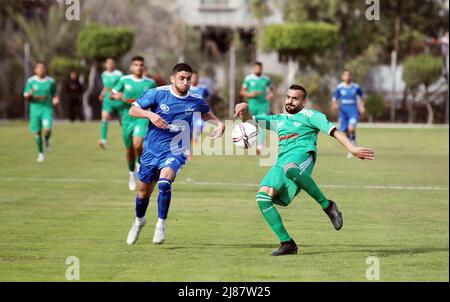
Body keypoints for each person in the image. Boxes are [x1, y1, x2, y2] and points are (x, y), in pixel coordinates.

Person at [235, 84, 375, 256]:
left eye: (295, 98)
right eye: (288, 97)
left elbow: (335, 132)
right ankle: (287, 243)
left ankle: (327, 205)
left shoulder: (311, 116)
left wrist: (352, 148)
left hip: (303, 156)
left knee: (290, 168)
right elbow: (250, 120)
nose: (290, 101)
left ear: (303, 101)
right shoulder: (278, 119)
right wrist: (244, 110)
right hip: (281, 162)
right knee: (262, 198)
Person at [126, 63, 225, 245]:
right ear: (173, 79)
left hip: (177, 149)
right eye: (182, 78)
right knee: (143, 194)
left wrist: (220, 124)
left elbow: (206, 113)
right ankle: (139, 221)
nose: (186, 82)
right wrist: (151, 116)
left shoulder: (195, 98)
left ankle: (160, 225)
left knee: (164, 183)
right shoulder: (158, 93)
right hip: (152, 150)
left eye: (188, 78)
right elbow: (133, 109)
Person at [111, 56, 157, 191]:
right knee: (129, 150)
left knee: (138, 144)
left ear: (144, 67)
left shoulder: (150, 83)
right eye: (136, 64)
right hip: (127, 118)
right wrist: (116, 96)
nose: (139, 67)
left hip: (142, 118)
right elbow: (112, 94)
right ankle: (131, 174)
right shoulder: (124, 80)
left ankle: (139, 165)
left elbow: (156, 99)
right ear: (132, 67)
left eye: (141, 65)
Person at [23, 62, 60, 163]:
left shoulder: (50, 81)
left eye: (43, 68)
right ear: (35, 70)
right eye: (39, 68)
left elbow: (54, 93)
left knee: (47, 129)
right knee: (37, 132)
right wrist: (30, 94)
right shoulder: (31, 81)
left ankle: (47, 140)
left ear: (45, 69)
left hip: (46, 109)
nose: (41, 70)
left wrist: (56, 99)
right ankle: (40, 153)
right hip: (35, 110)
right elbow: (26, 96)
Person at [240, 62, 275, 154]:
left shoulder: (266, 79)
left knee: (262, 125)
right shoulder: (248, 79)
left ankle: (259, 147)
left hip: (263, 106)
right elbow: (242, 92)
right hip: (251, 105)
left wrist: (270, 95)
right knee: (250, 125)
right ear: (253, 68)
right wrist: (250, 94)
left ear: (262, 69)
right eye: (256, 68)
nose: (258, 70)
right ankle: (248, 142)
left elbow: (272, 89)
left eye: (259, 68)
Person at [332, 70, 366, 159]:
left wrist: (362, 106)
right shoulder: (340, 87)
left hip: (353, 111)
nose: (347, 77)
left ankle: (352, 147)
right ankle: (352, 145)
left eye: (349, 75)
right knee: (345, 131)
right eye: (345, 75)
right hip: (343, 112)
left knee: (351, 128)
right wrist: (335, 105)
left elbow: (362, 96)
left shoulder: (355, 87)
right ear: (342, 77)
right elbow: (334, 98)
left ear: (351, 77)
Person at [98, 58, 124, 150]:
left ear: (114, 64)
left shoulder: (119, 74)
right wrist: (102, 94)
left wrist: (120, 95)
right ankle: (103, 140)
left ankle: (128, 138)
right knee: (104, 117)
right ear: (105, 65)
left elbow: (122, 85)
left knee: (123, 122)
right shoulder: (104, 74)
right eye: (107, 63)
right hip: (107, 99)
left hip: (118, 99)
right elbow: (105, 87)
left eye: (111, 63)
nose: (109, 65)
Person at [190, 70, 210, 148]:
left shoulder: (203, 88)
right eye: (193, 77)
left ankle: (195, 138)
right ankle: (191, 141)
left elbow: (207, 97)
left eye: (196, 77)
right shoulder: (187, 88)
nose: (195, 79)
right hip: (189, 112)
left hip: (199, 113)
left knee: (201, 125)